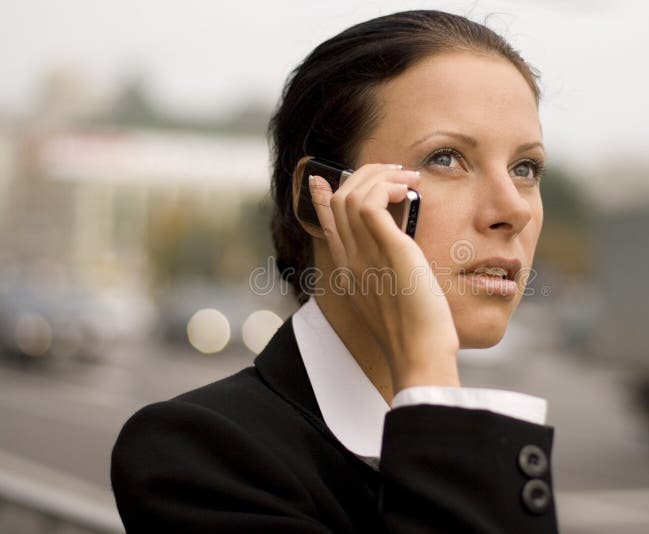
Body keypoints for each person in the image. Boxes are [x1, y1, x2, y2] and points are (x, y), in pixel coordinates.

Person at [111, 9, 557, 533]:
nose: (514, 210)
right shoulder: (194, 454)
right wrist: (427, 368)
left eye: (525, 168)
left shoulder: (494, 438)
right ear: (320, 196)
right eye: (446, 158)